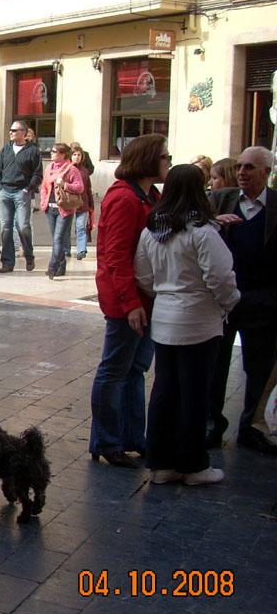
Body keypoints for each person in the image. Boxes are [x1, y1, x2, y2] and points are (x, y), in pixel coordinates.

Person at [134, 164, 238, 486]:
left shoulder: (152, 231)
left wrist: (165, 295)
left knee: (164, 390)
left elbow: (143, 276)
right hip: (198, 320)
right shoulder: (202, 232)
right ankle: (193, 465)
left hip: (165, 319)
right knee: (194, 393)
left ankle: (161, 463)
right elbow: (221, 278)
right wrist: (228, 302)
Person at [89, 134, 169, 468]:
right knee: (114, 370)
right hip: (127, 300)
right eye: (165, 156)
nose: (169, 161)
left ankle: (133, 437)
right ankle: (106, 441)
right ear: (148, 160)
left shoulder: (149, 195)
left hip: (144, 298)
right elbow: (116, 256)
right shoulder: (125, 198)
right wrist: (131, 303)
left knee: (135, 370)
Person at [206, 146, 277, 455]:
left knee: (258, 368)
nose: (242, 173)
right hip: (223, 301)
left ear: (266, 172)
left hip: (261, 301)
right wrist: (212, 222)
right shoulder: (221, 199)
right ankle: (212, 424)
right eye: (239, 167)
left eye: (249, 167)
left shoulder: (274, 206)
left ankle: (251, 427)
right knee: (215, 365)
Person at [0, 119, 42, 273]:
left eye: (14, 130)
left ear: (23, 133)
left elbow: (37, 173)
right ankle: (7, 263)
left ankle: (29, 256)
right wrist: (0, 187)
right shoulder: (6, 149)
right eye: (11, 130)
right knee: (6, 228)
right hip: (5, 192)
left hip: (22, 192)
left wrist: (28, 189)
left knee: (23, 226)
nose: (11, 133)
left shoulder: (33, 150)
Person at [39, 143, 84, 279]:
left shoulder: (71, 169)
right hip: (50, 208)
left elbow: (80, 187)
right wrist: (43, 202)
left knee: (58, 239)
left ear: (63, 154)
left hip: (64, 209)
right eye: (52, 151)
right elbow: (44, 186)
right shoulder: (49, 168)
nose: (51, 153)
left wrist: (64, 185)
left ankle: (52, 266)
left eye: (54, 151)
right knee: (56, 239)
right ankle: (61, 266)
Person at [69, 145, 95, 259]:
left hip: (83, 203)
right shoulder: (66, 169)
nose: (77, 157)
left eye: (79, 155)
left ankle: (81, 250)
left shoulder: (84, 171)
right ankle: (66, 249)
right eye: (74, 155)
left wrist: (91, 205)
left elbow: (88, 189)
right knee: (66, 228)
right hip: (68, 203)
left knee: (80, 227)